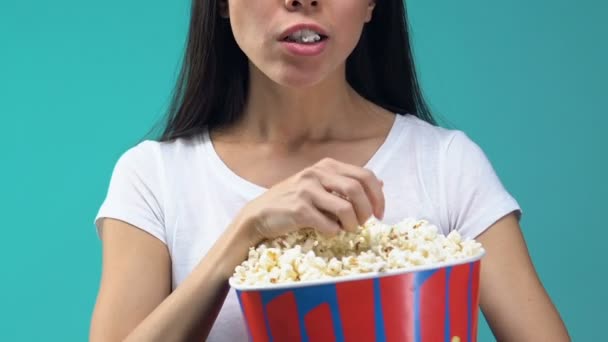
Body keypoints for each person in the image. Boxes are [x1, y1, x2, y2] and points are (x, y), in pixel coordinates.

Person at [89, 0, 570, 341]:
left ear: (371, 5)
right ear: (219, 3)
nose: (303, 0)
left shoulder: (446, 165)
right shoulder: (154, 177)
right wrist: (246, 232)